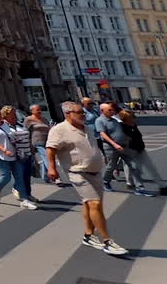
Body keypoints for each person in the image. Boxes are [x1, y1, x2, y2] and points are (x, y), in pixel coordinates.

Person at [46, 100, 128, 256]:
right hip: (78, 172)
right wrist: (51, 168)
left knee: (89, 205)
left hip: (95, 171)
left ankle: (88, 235)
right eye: (79, 112)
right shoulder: (59, 130)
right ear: (68, 114)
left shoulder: (86, 128)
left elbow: (93, 145)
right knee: (95, 204)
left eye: (83, 112)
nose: (83, 115)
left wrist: (100, 157)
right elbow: (50, 149)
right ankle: (107, 241)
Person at [0, 108, 34, 208]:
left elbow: (11, 136)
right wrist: (4, 150)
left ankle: (24, 200)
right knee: (6, 175)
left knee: (19, 176)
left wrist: (18, 141)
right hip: (0, 155)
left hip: (13, 154)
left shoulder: (5, 124)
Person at [116, 109, 166, 196]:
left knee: (150, 168)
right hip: (131, 151)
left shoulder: (133, 125)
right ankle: (137, 187)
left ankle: (162, 186)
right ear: (126, 118)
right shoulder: (122, 127)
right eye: (132, 116)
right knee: (136, 169)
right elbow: (121, 139)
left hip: (140, 149)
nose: (135, 118)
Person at [95, 102, 131, 192]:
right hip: (111, 147)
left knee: (132, 164)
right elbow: (102, 134)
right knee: (111, 165)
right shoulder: (99, 120)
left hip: (123, 146)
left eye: (112, 110)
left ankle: (138, 186)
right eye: (109, 110)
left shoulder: (114, 120)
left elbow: (119, 131)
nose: (112, 111)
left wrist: (126, 139)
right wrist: (114, 144)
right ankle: (105, 181)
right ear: (102, 111)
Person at [25, 104, 61, 185]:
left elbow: (48, 128)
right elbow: (26, 132)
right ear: (32, 111)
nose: (39, 111)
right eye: (37, 110)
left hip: (47, 140)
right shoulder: (28, 120)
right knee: (47, 157)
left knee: (46, 157)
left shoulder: (44, 119)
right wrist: (29, 144)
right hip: (37, 141)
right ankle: (55, 177)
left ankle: (45, 176)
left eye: (40, 109)